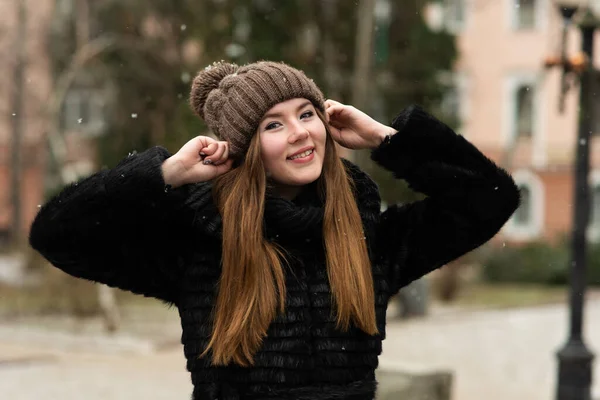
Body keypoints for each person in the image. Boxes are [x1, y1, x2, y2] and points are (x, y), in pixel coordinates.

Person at [29, 60, 520, 400]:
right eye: (273, 125)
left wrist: (387, 139)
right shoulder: (200, 241)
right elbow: (57, 233)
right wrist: (164, 175)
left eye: (307, 114)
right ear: (244, 149)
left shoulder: (368, 238)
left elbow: (490, 199)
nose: (301, 132)